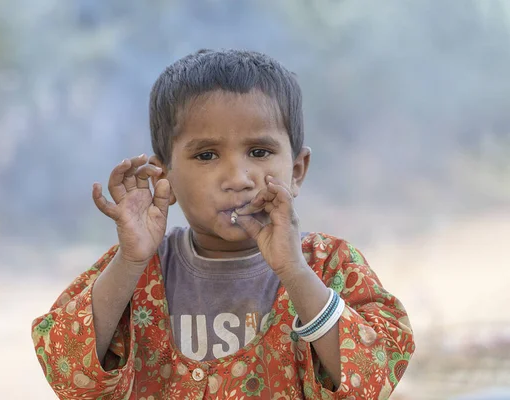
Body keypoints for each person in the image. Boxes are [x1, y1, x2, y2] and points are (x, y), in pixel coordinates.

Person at [31, 49, 415, 399]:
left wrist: (294, 272)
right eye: (207, 155)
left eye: (260, 151)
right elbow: (68, 371)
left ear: (296, 171)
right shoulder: (139, 270)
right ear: (165, 177)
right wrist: (130, 261)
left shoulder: (330, 266)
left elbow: (372, 377)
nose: (237, 177)